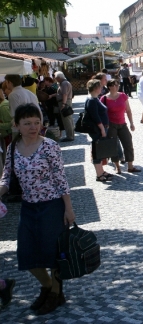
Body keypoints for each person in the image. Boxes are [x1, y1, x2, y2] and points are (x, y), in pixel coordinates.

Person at [0, 103, 75, 314]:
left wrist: (68, 208)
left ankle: (55, 293)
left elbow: (61, 179)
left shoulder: (49, 145)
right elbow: (7, 177)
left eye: (37, 122)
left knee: (54, 254)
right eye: (27, 123)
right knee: (26, 254)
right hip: (28, 207)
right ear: (16, 125)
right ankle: (48, 287)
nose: (34, 127)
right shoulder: (13, 147)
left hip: (52, 205)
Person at [101, 79, 141, 174]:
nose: (116, 86)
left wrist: (131, 123)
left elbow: (128, 110)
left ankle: (130, 166)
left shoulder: (123, 96)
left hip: (122, 124)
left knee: (128, 143)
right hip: (111, 125)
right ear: (109, 86)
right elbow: (101, 113)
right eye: (114, 85)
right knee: (113, 145)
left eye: (117, 84)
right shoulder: (104, 98)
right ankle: (117, 167)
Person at [85, 80, 114, 182]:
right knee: (97, 151)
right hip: (97, 129)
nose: (102, 88)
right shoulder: (92, 100)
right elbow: (96, 117)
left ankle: (101, 171)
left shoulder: (94, 98)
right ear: (95, 88)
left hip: (100, 128)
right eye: (100, 87)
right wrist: (102, 129)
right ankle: (99, 174)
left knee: (100, 150)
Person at [54, 72, 74, 142]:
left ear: (59, 77)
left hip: (65, 102)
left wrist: (63, 104)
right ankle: (71, 135)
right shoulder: (65, 83)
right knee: (69, 119)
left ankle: (70, 136)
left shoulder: (64, 83)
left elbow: (65, 94)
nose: (55, 79)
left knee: (67, 120)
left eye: (56, 78)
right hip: (66, 101)